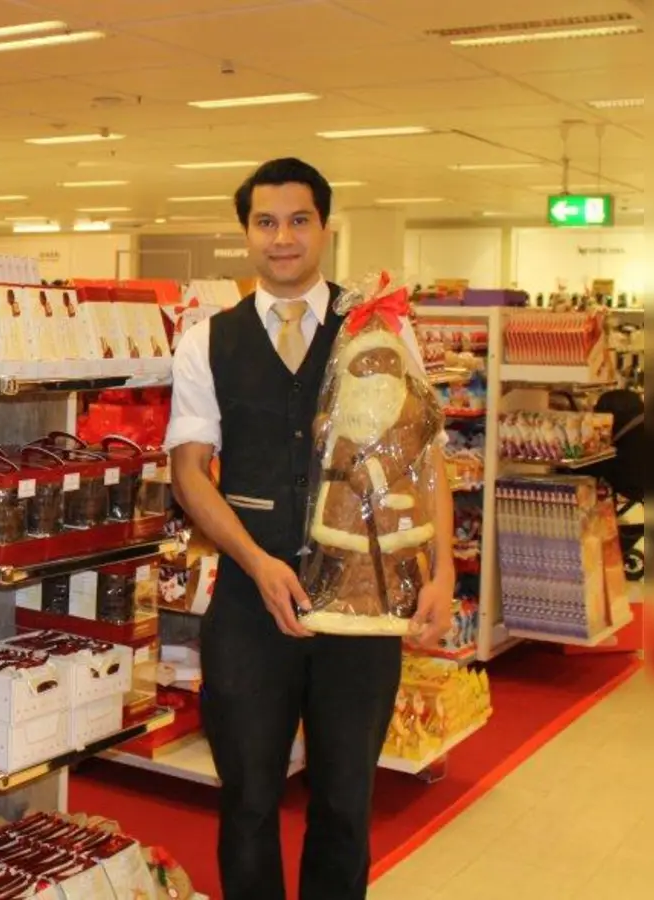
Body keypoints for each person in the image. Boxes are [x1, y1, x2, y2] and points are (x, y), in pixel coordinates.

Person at [165, 157, 455, 900]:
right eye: (266, 222)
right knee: (249, 799)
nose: (282, 238)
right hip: (248, 606)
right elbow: (191, 472)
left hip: (365, 604)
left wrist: (443, 572)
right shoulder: (207, 341)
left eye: (299, 221)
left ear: (325, 228)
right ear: (246, 235)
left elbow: (425, 464)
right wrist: (257, 563)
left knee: (343, 802)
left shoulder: (379, 330)